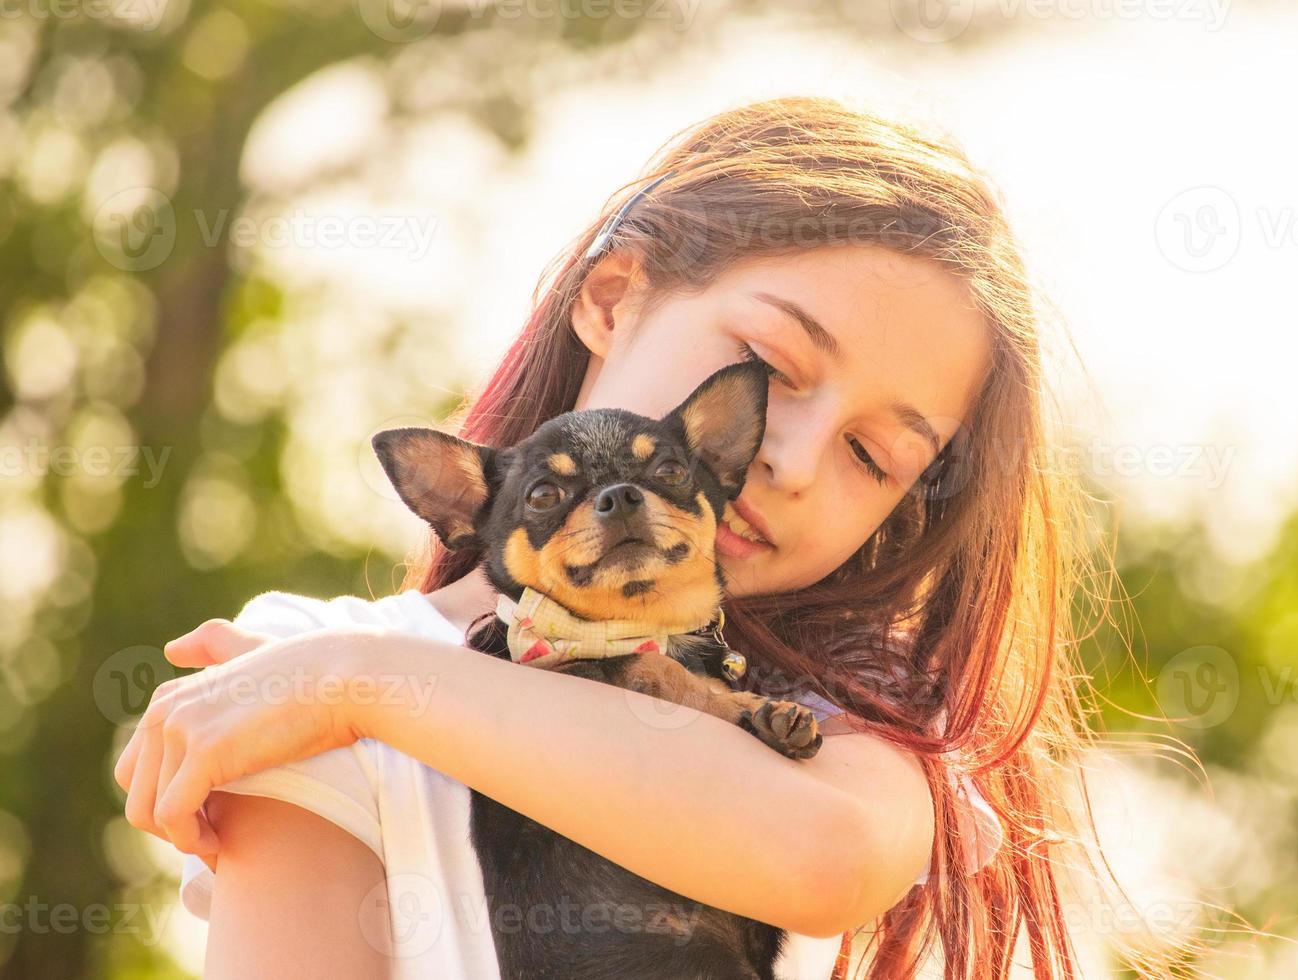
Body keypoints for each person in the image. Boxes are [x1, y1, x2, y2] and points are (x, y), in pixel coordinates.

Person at [115, 95, 1163, 978]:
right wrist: (342, 676)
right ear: (614, 298)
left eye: (871, 456)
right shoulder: (297, 650)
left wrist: (361, 686)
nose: (789, 459)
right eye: (768, 363)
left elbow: (825, 853)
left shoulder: (840, 726)